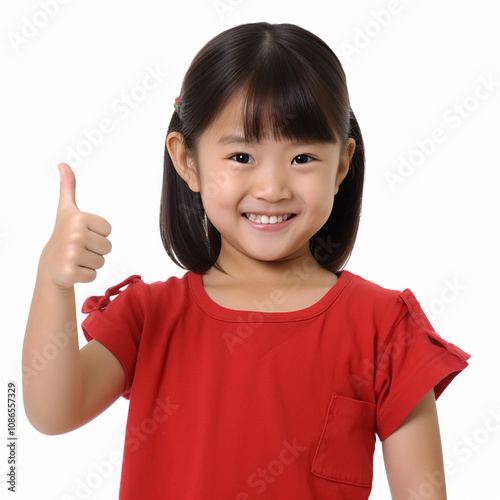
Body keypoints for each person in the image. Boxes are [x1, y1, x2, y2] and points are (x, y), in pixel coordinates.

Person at [23, 22, 470, 500]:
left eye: (302, 159)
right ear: (187, 162)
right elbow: (52, 413)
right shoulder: (149, 317)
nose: (272, 187)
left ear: (342, 164)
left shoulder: (385, 328)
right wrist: (52, 281)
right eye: (241, 156)